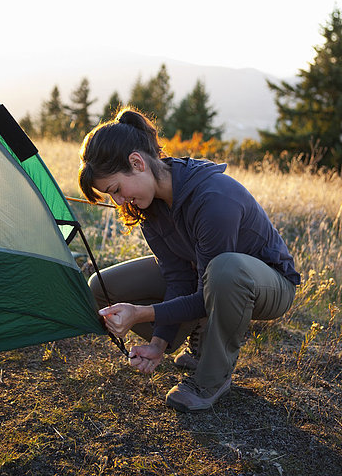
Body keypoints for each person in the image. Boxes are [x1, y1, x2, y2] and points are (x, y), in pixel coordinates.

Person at [78, 107, 299, 412]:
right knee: (102, 287)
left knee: (225, 271)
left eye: (116, 189)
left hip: (268, 285)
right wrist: (158, 343)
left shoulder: (213, 198)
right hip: (208, 279)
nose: (118, 201)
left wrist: (141, 313)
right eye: (110, 195)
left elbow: (209, 288)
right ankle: (199, 332)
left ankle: (211, 378)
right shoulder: (149, 206)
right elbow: (179, 277)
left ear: (137, 162)